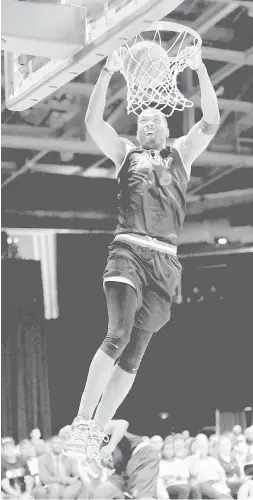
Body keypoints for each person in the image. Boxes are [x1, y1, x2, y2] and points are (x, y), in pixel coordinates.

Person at [64, 45, 220, 478]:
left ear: (167, 130)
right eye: (142, 120)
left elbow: (211, 120)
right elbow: (93, 122)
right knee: (115, 335)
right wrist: (107, 73)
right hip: (128, 250)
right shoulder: (125, 155)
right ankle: (81, 424)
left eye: (157, 119)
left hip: (166, 263)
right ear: (138, 128)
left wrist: (200, 69)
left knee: (133, 356)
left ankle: (95, 433)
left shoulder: (182, 156)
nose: (148, 121)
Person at [93, 425, 160, 499]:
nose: (109, 460)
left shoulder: (146, 454)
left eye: (111, 455)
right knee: (102, 492)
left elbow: (121, 424)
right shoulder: (119, 459)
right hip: (122, 469)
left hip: (140, 456)